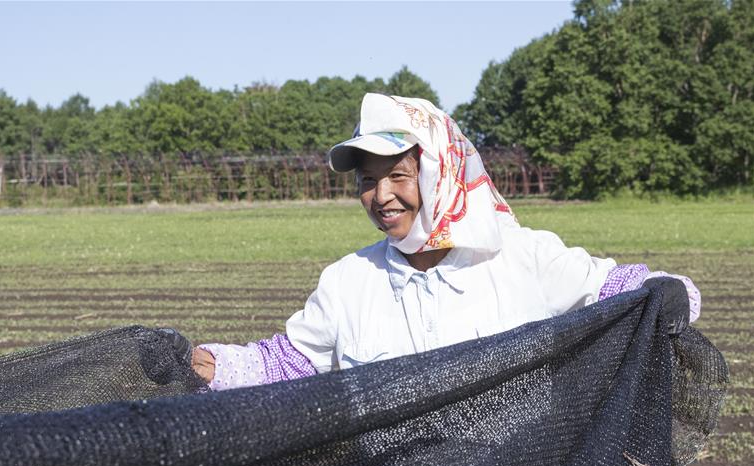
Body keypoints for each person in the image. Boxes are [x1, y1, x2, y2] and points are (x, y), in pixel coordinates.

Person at [191, 93, 700, 390]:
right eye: (367, 181)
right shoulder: (348, 282)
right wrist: (202, 365)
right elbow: (286, 364)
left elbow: (625, 288)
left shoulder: (521, 257)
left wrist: (670, 292)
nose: (381, 196)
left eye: (397, 176)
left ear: (442, 173)